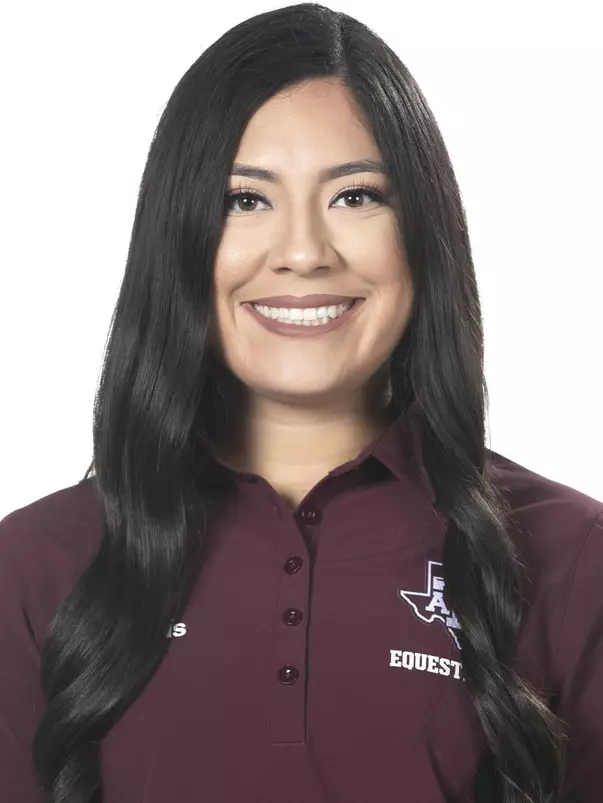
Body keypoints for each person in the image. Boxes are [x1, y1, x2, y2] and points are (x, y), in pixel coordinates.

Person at [1, 3, 601, 802]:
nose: (302, 252)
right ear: (177, 236)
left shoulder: (571, 555)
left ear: (423, 232)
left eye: (355, 196)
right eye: (245, 200)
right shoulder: (34, 563)